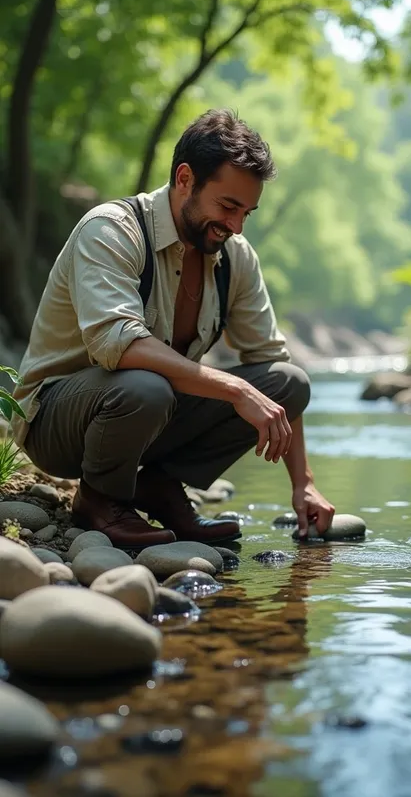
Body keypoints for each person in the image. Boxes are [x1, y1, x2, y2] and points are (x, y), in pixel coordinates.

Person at [11, 109, 335, 550]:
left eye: (247, 213)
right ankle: (99, 499)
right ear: (185, 179)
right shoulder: (112, 230)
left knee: (288, 383)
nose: (237, 226)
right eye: (228, 206)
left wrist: (305, 483)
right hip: (56, 422)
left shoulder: (235, 256)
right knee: (146, 386)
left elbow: (272, 366)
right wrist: (237, 391)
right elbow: (119, 345)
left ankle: (159, 486)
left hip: (148, 412)